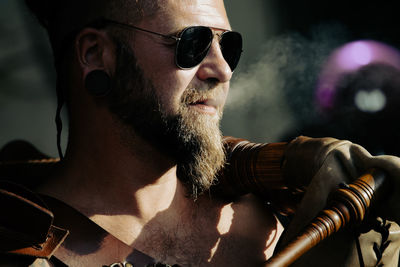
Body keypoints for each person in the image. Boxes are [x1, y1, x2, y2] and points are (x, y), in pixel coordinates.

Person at [1, 0, 400, 266]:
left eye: (229, 46)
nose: (222, 69)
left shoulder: (281, 220)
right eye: (191, 43)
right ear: (95, 54)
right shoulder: (20, 242)